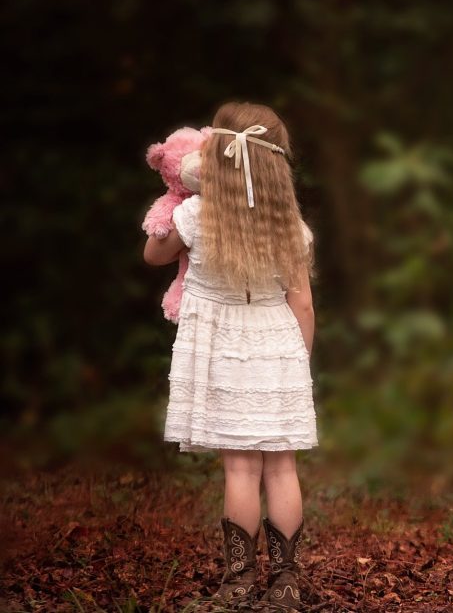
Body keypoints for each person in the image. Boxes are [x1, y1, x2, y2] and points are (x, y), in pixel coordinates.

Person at [143, 101, 318, 610]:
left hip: (221, 349)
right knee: (281, 468)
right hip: (279, 345)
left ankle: (239, 581)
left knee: (240, 469)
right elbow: (301, 301)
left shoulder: (195, 215)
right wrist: (297, 361)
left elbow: (154, 255)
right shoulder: (290, 227)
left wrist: (178, 195)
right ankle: (285, 582)